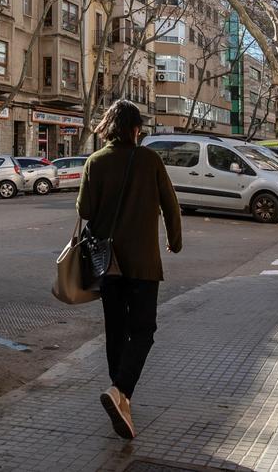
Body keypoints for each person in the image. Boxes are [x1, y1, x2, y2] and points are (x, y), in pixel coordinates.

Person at [76, 100, 182, 440]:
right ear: (136, 129)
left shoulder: (95, 161)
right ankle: (120, 390)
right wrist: (174, 240)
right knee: (144, 330)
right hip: (143, 262)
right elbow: (170, 203)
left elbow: (85, 209)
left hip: (107, 263)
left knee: (115, 331)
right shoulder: (149, 159)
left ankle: (119, 394)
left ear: (108, 128)